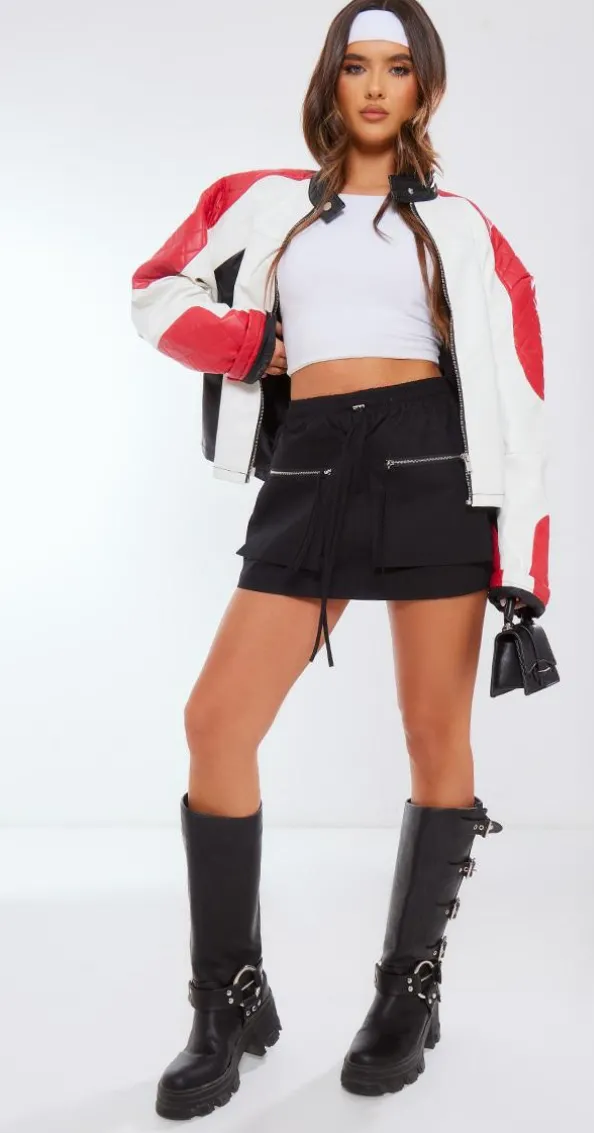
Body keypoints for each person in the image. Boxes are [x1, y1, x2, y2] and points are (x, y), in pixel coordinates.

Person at [130, 0, 550, 1118]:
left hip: (433, 465)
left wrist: (526, 556)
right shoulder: (262, 201)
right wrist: (249, 342)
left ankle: (408, 993)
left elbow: (520, 392)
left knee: (434, 735)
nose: (374, 86)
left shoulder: (463, 226)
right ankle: (227, 1000)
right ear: (330, 80)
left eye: (397, 68)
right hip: (310, 464)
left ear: (424, 88)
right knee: (217, 721)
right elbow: (154, 293)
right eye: (356, 65)